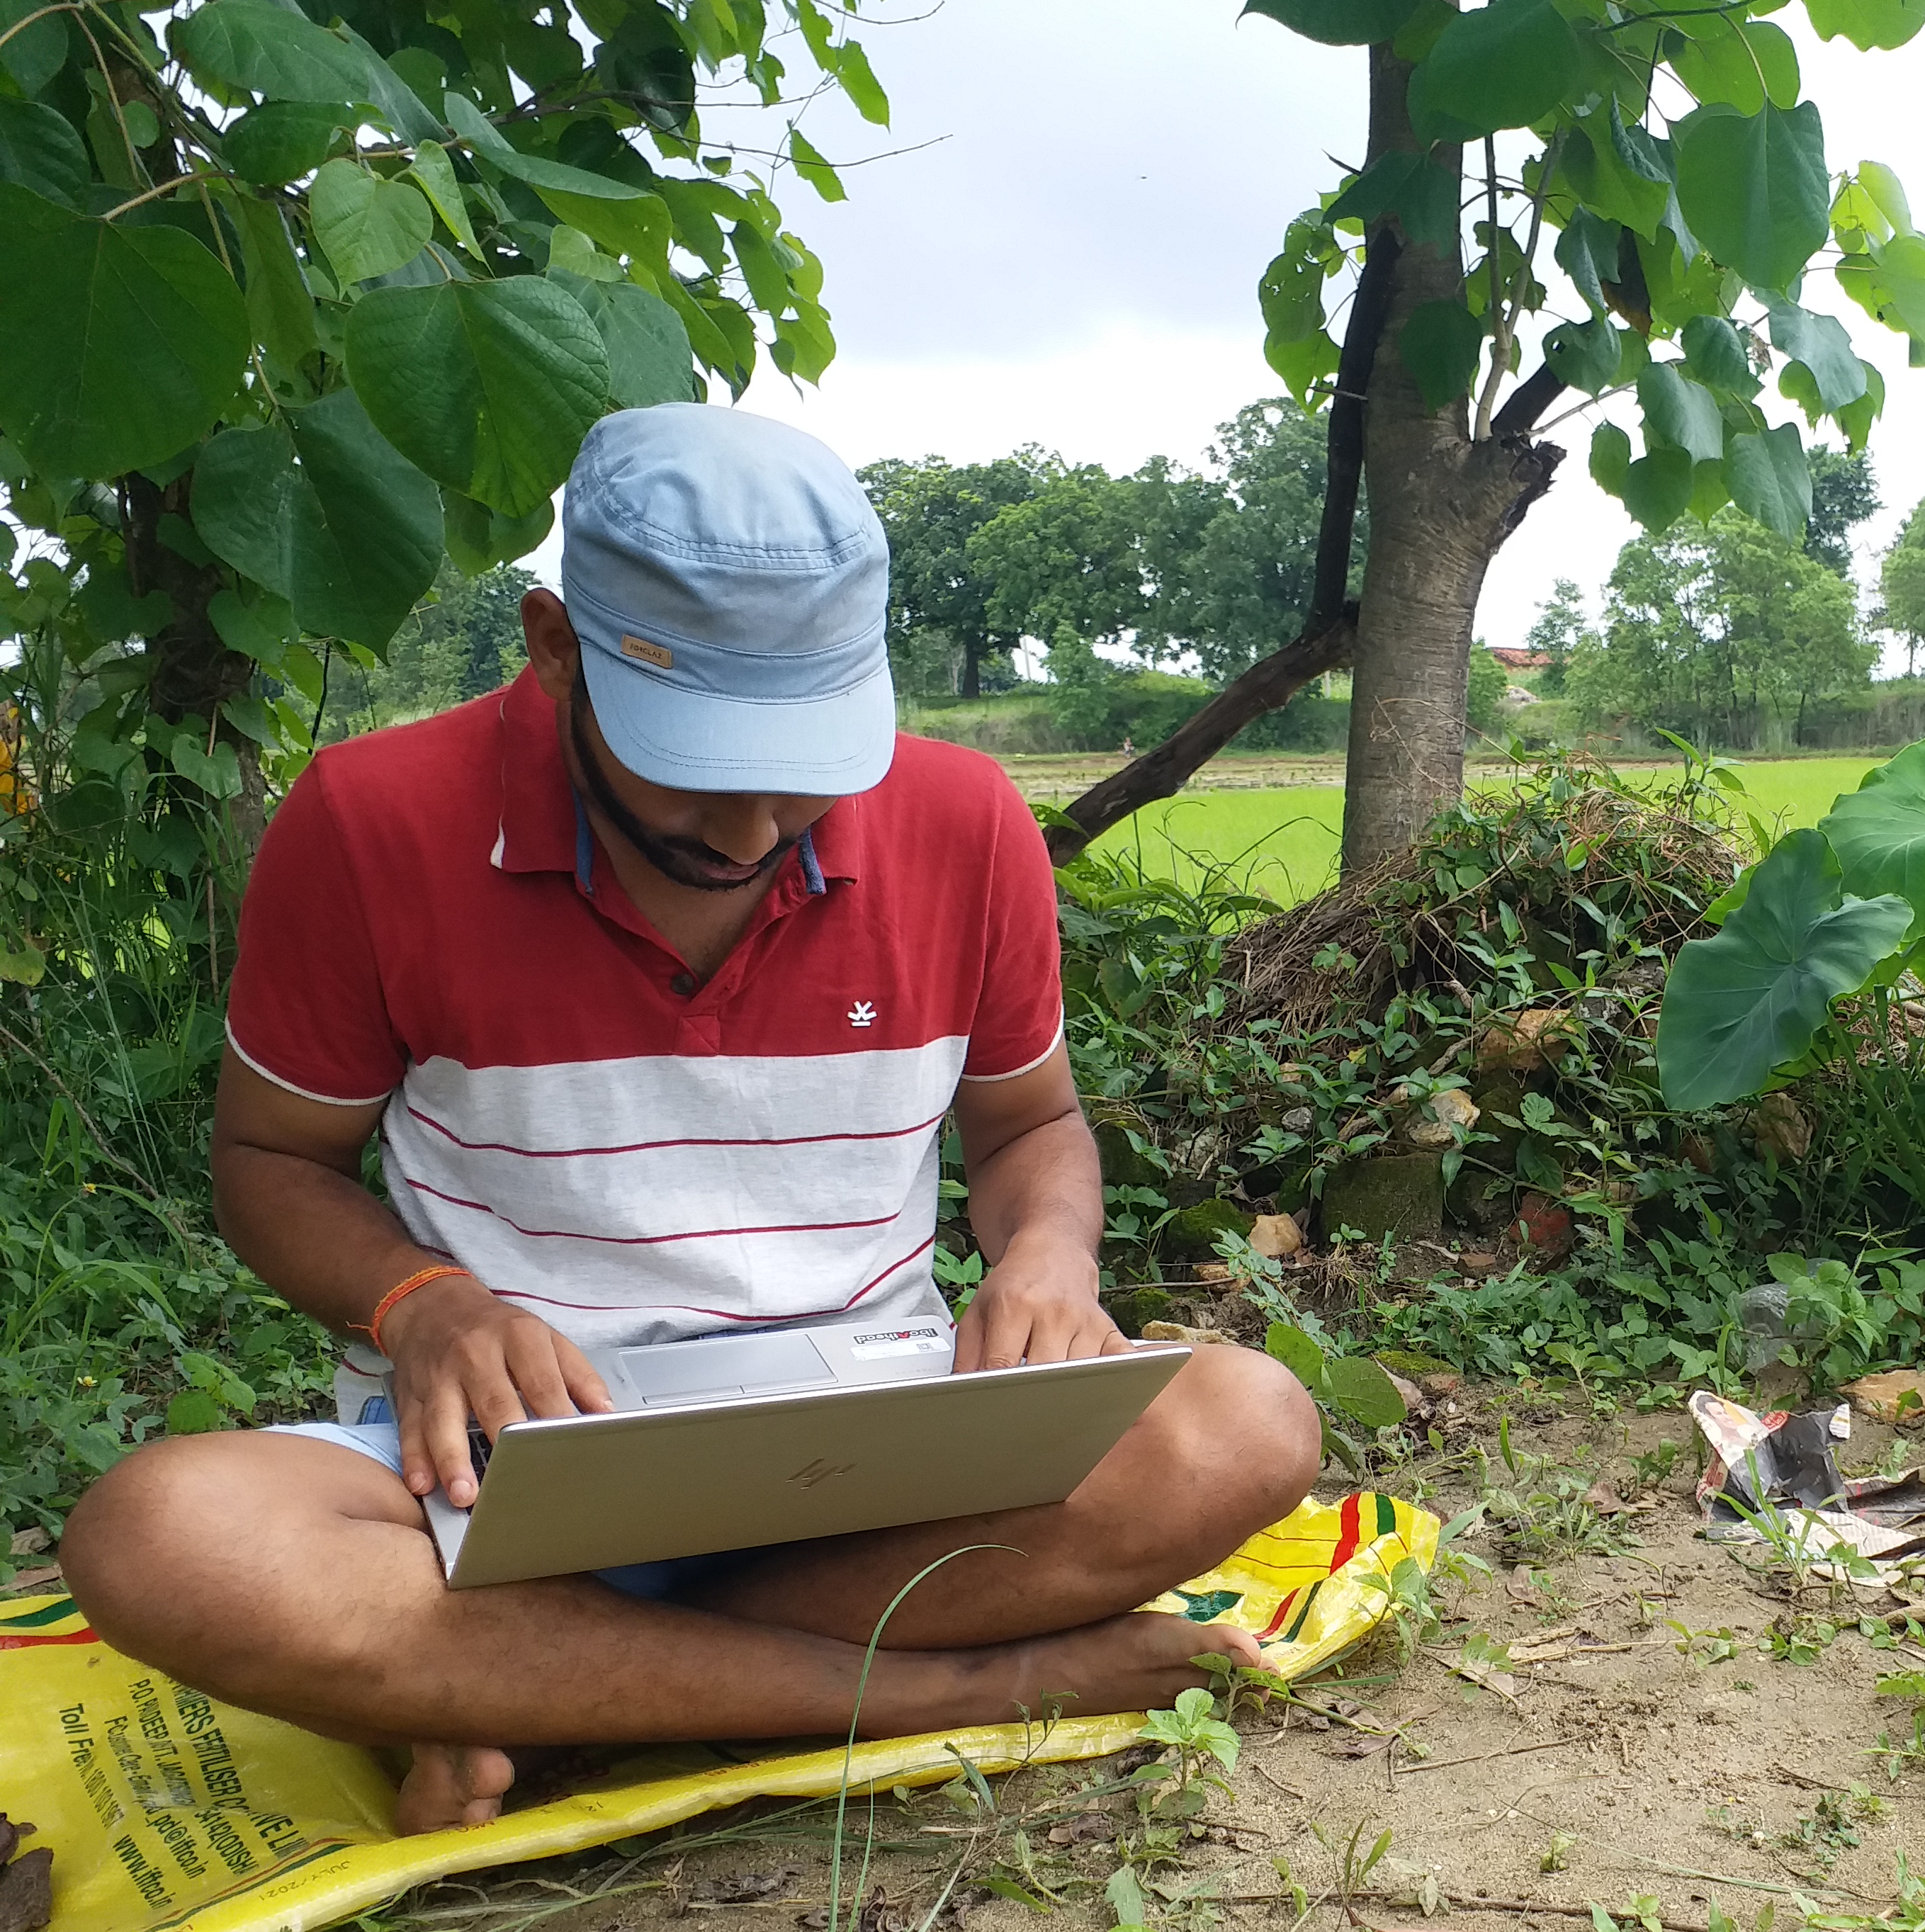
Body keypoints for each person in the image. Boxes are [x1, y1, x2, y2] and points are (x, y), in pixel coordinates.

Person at [60, 406, 1322, 1834]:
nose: (746, 836)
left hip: (868, 1455)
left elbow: (1032, 1129)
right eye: (696, 771)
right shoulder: (372, 823)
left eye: (802, 774)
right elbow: (270, 1163)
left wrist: (1045, 1261)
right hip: (493, 1481)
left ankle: (532, 1690)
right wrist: (423, 1307)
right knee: (160, 1538)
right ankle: (954, 1686)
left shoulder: (965, 825)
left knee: (1243, 1424)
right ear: (553, 651)